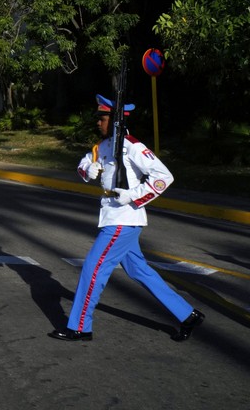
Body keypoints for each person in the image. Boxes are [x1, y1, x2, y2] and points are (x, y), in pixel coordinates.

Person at [49, 93, 204, 342]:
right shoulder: (104, 146)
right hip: (114, 216)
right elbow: (83, 164)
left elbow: (164, 177)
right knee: (139, 270)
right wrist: (88, 170)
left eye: (102, 118)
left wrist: (134, 195)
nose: (98, 122)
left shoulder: (132, 146)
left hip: (123, 218)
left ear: (116, 120)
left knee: (93, 268)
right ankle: (187, 315)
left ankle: (80, 326)